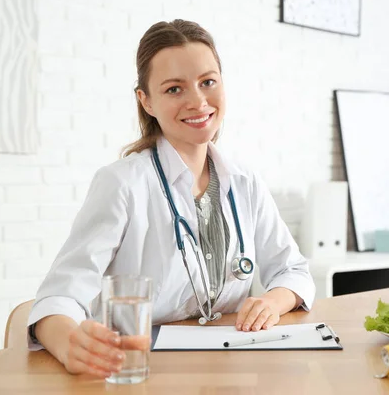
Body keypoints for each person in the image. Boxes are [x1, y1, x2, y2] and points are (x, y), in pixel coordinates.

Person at [27, 19, 315, 378]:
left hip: (229, 372)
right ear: (145, 101)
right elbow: (59, 297)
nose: (198, 101)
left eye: (208, 82)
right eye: (174, 89)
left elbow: (294, 271)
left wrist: (272, 302)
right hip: (143, 373)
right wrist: (70, 342)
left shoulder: (244, 181)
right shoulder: (122, 183)